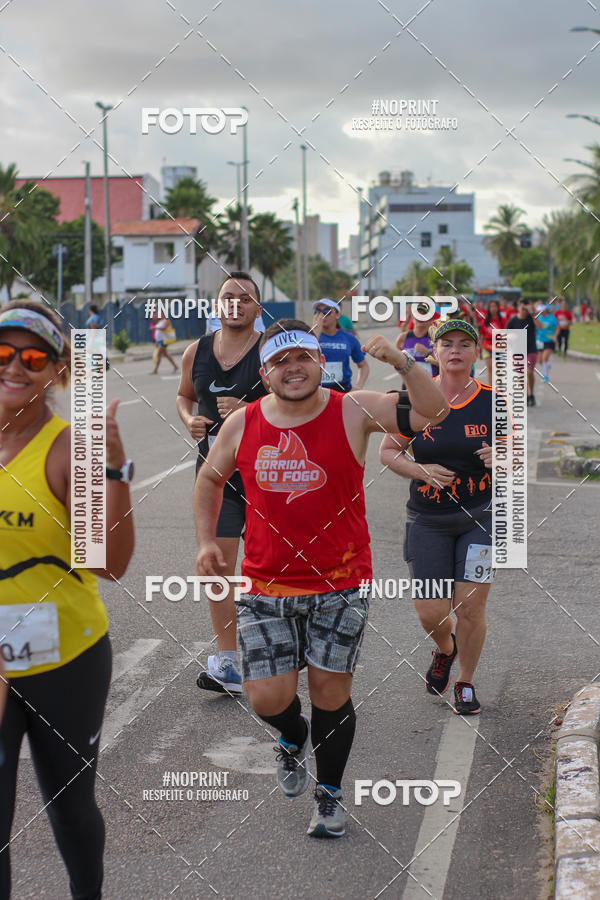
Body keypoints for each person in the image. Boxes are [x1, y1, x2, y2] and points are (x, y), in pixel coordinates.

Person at [193, 319, 448, 837]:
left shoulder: (352, 408)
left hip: (341, 584)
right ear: (265, 375)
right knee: (267, 697)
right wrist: (204, 542)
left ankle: (329, 793)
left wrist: (402, 362)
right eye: (280, 362)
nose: (293, 368)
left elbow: (433, 412)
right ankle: (292, 736)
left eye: (303, 357)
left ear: (319, 363)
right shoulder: (242, 423)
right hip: (265, 587)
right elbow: (209, 479)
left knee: (331, 692)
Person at [0, 300, 134, 898]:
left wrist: (111, 470)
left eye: (33, 357)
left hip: (66, 663)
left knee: (70, 807)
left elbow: (109, 564)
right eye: (3, 353)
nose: (14, 367)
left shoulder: (66, 450)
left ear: (57, 371)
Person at [380, 320, 507, 717]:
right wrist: (423, 471)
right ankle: (445, 649)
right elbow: (388, 451)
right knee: (431, 611)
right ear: (434, 351)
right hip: (428, 519)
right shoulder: (416, 398)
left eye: (464, 344)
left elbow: (513, 452)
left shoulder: (493, 400)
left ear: (476, 352)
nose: (455, 350)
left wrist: (503, 457)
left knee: (470, 607)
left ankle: (466, 683)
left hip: (479, 518)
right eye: (447, 344)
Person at [176, 272, 268, 694]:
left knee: (275, 569)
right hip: (217, 476)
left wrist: (250, 409)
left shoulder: (270, 351)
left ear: (257, 309)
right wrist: (189, 419)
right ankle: (228, 664)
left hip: (270, 474)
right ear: (217, 305)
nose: (237, 304)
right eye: (229, 297)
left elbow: (301, 399)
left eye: (246, 298)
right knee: (219, 568)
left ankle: (281, 652)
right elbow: (183, 396)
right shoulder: (196, 352)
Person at [312, 299, 369, 392]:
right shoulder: (309, 337)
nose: (322, 316)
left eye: (326, 312)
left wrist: (359, 386)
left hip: (342, 390)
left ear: (337, 315)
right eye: (317, 312)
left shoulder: (349, 338)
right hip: (317, 390)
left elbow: (363, 365)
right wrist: (315, 335)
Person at [506, 299, 539, 406]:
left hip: (531, 349)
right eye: (522, 307)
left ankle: (531, 394)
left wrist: (532, 312)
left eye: (526, 308)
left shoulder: (531, 318)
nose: (524, 310)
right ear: (518, 307)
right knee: (520, 375)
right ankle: (524, 395)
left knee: (529, 372)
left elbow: (540, 326)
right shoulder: (513, 321)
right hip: (517, 351)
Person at [395, 307, 439, 377]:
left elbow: (442, 364)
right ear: (413, 319)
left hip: (432, 383)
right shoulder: (402, 337)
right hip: (410, 383)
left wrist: (427, 353)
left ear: (430, 319)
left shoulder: (436, 338)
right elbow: (395, 361)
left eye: (424, 315)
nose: (420, 317)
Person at [478, 299, 504, 385]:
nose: (493, 308)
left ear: (498, 308)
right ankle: (491, 389)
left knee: (499, 370)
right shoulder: (485, 321)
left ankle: (499, 389)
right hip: (487, 346)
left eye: (494, 306)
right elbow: (481, 335)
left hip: (500, 347)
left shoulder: (503, 320)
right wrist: (480, 349)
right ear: (488, 308)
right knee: (490, 368)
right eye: (491, 307)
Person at [536, 303, 559, 383]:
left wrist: (555, 336)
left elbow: (557, 328)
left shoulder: (552, 318)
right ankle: (547, 365)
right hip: (539, 341)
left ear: (545, 310)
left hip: (549, 341)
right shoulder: (538, 318)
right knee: (539, 361)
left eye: (540, 310)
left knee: (544, 358)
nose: (539, 312)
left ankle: (545, 376)